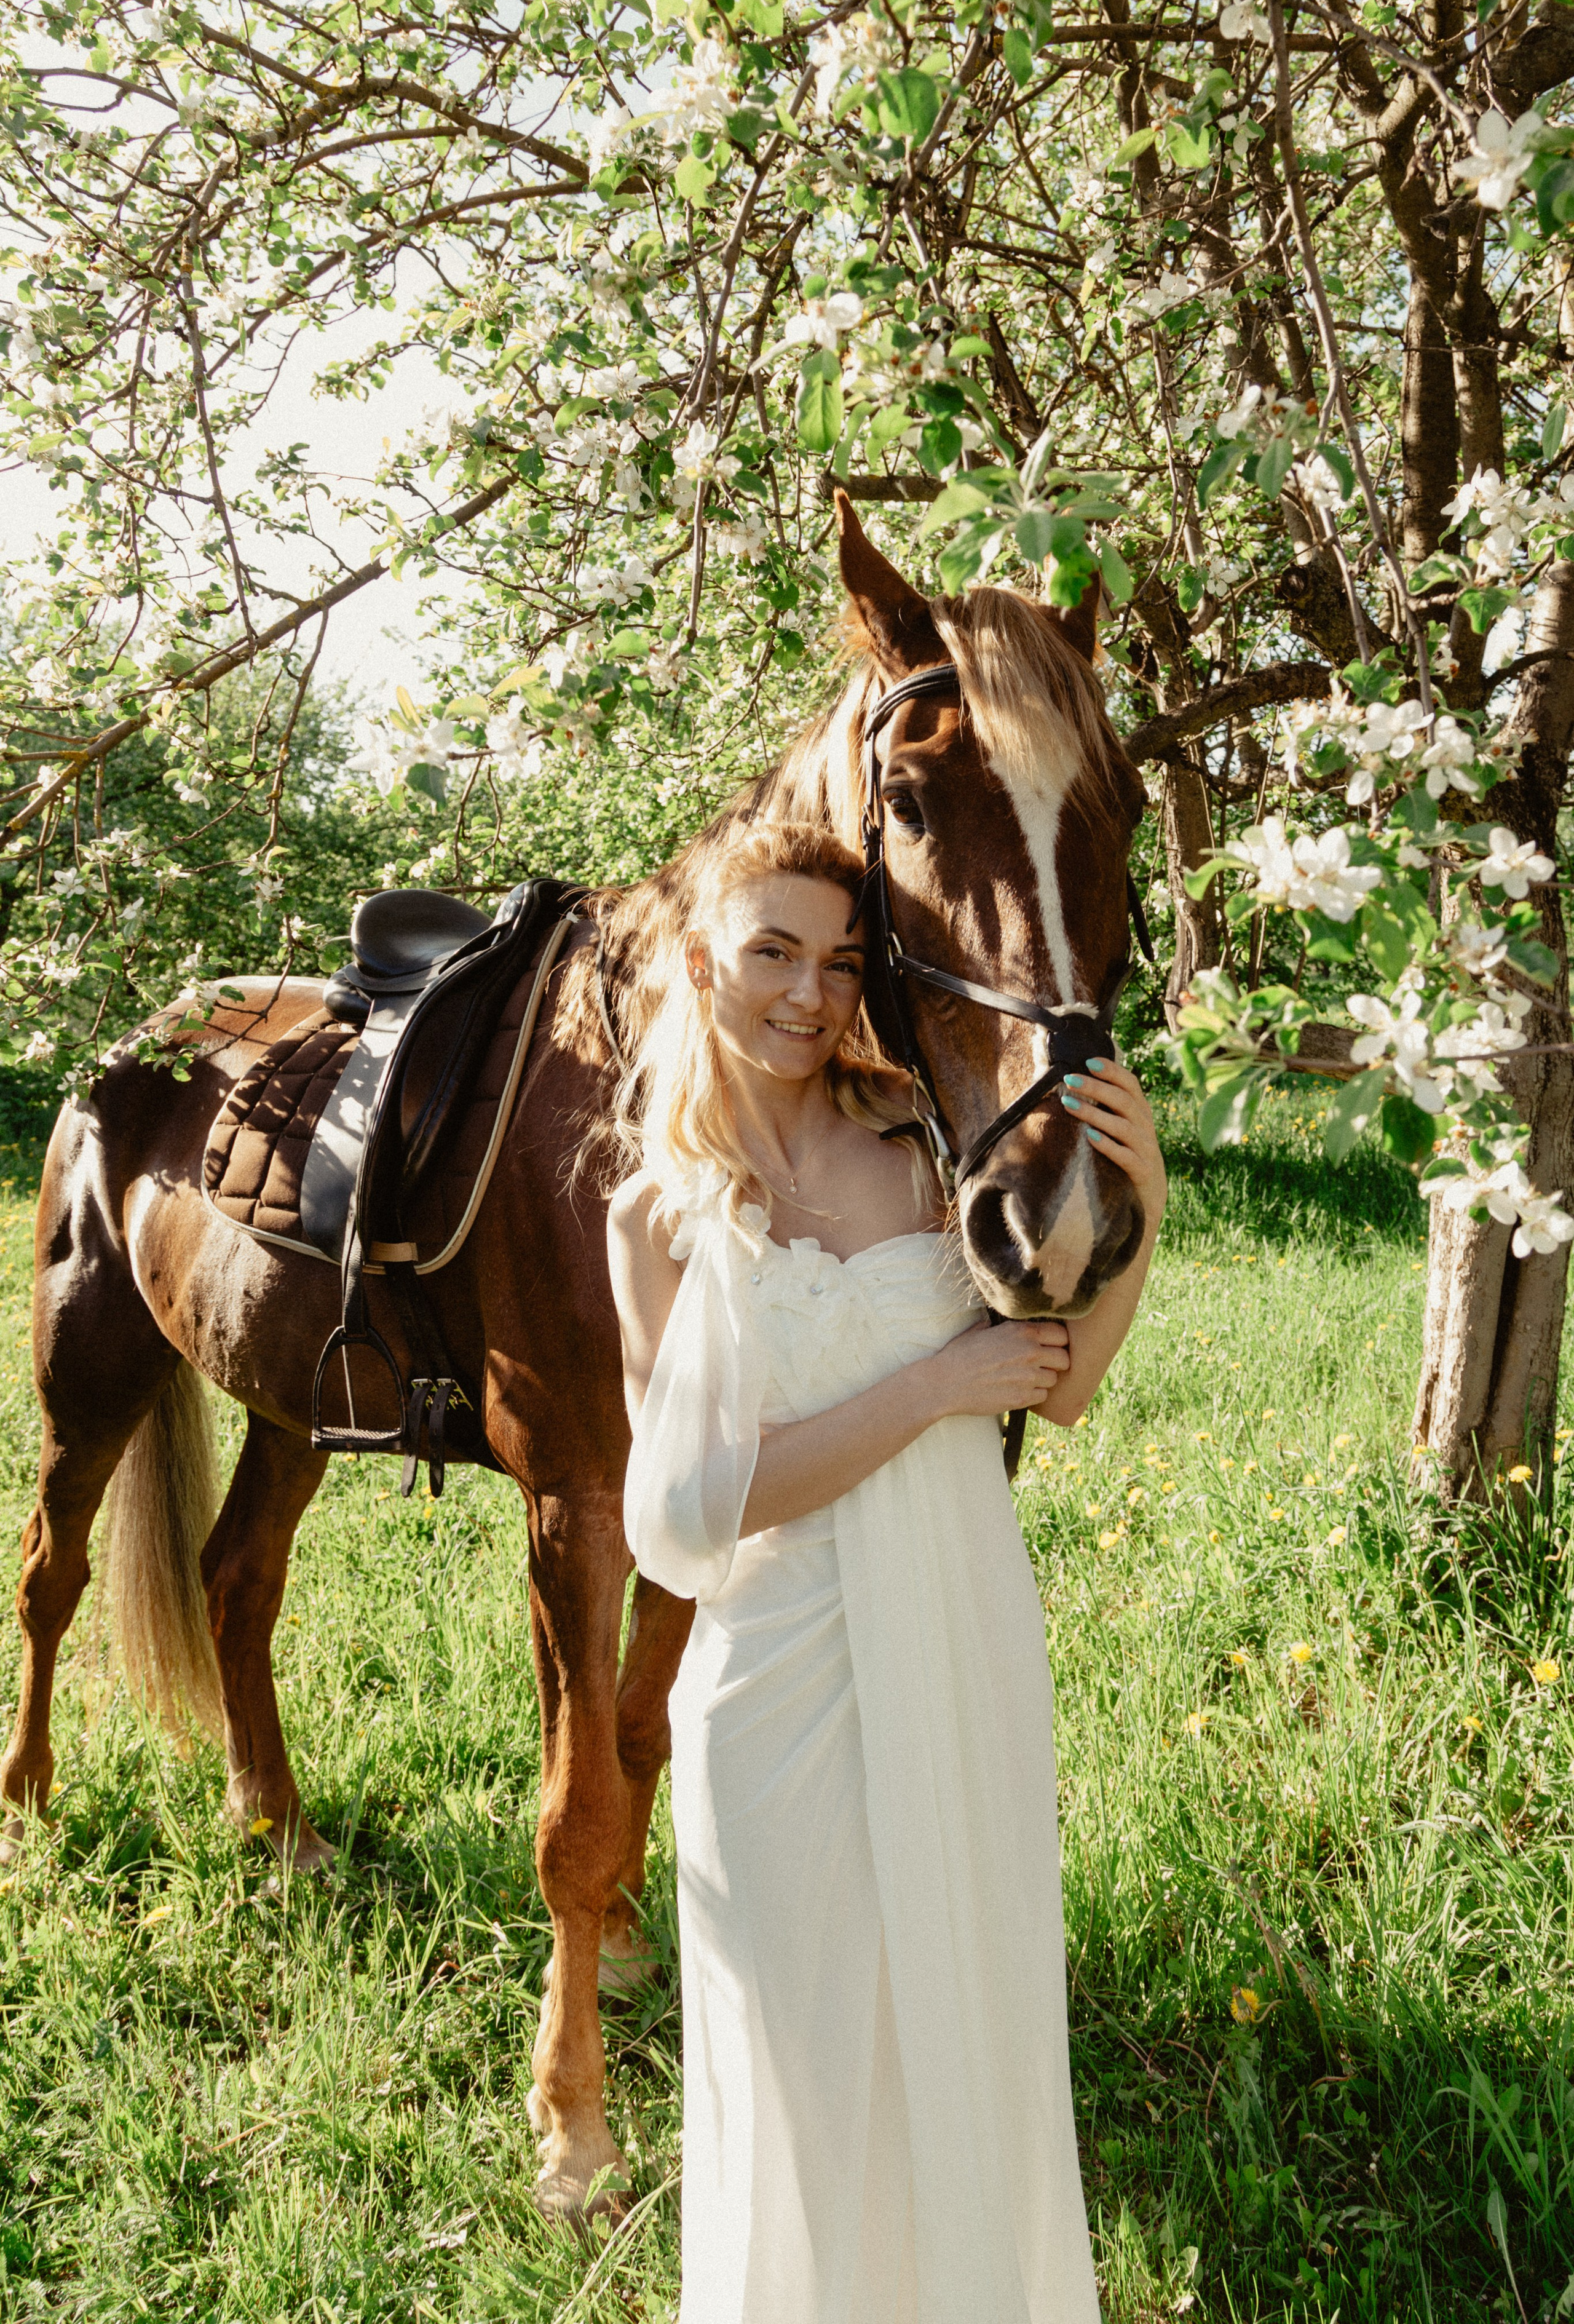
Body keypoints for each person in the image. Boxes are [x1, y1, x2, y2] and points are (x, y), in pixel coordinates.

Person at [606, 821, 1166, 2323]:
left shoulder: (921, 1138)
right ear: (701, 959)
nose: (807, 992)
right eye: (773, 952)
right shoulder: (655, 1215)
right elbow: (689, 1518)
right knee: (804, 2048)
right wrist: (930, 1390)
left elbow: (1051, 1386)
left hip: (960, 1638)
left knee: (968, 2017)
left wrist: (1146, 1216)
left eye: (840, 959)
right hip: (774, 1676)